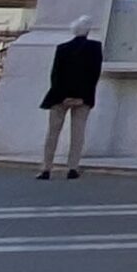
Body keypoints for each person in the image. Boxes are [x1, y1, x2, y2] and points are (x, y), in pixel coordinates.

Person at [39, 16, 101, 179]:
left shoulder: (62, 48)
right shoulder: (95, 48)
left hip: (60, 96)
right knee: (78, 133)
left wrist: (63, 95)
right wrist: (83, 96)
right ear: (88, 31)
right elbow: (93, 74)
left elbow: (56, 75)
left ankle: (46, 167)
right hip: (83, 98)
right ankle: (72, 167)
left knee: (53, 132)